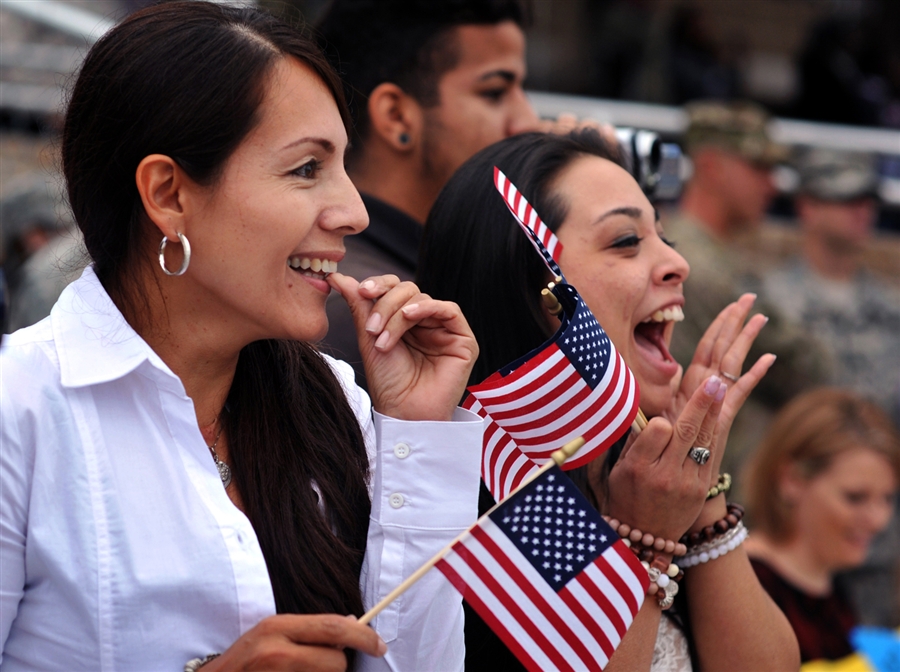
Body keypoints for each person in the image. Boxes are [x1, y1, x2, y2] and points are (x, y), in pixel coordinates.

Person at [0, 3, 485, 670]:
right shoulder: (20, 408)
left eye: (343, 166)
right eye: (306, 169)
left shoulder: (337, 403)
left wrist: (420, 430)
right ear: (168, 194)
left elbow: (415, 662)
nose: (353, 212)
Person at [419, 129, 800, 671]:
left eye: (664, 236)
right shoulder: (507, 490)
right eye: (626, 241)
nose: (676, 263)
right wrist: (644, 541)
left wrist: (700, 479)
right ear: (538, 289)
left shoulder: (641, 467)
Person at [315, 0, 540, 386]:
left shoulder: (437, 273)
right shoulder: (358, 310)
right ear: (397, 116)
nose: (529, 122)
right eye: (495, 91)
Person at [665, 100, 831, 493]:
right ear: (710, 167)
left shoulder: (681, 245)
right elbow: (806, 370)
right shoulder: (704, 265)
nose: (773, 184)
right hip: (710, 481)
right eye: (759, 168)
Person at [744, 388, 900, 663]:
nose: (879, 520)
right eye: (855, 497)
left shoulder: (829, 580)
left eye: (887, 498)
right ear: (791, 480)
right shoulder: (747, 585)